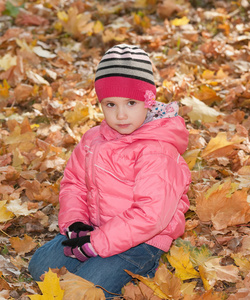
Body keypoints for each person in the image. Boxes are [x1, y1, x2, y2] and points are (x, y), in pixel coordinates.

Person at [28, 44, 192, 298]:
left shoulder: (157, 150)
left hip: (142, 240)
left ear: (148, 102)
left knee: (87, 288)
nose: (121, 114)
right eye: (110, 105)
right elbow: (74, 183)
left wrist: (97, 244)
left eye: (130, 103)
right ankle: (94, 257)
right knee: (40, 266)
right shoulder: (94, 139)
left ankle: (143, 267)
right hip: (96, 228)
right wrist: (76, 223)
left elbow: (151, 215)